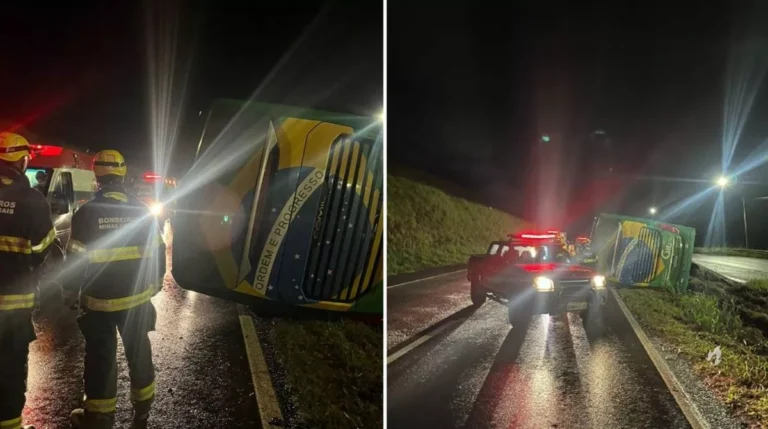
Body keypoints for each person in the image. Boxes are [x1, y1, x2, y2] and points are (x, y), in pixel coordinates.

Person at [62, 150, 165, 429]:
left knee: (101, 359)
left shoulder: (85, 214)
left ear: (97, 177)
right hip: (137, 301)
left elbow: (74, 261)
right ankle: (142, 414)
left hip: (98, 305)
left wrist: (70, 294)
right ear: (123, 175)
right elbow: (158, 251)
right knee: (140, 353)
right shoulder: (142, 210)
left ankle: (99, 420)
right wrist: (153, 286)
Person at [0, 132, 57, 429]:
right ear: (22, 161)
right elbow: (43, 249)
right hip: (14, 305)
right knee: (9, 368)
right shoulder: (33, 201)